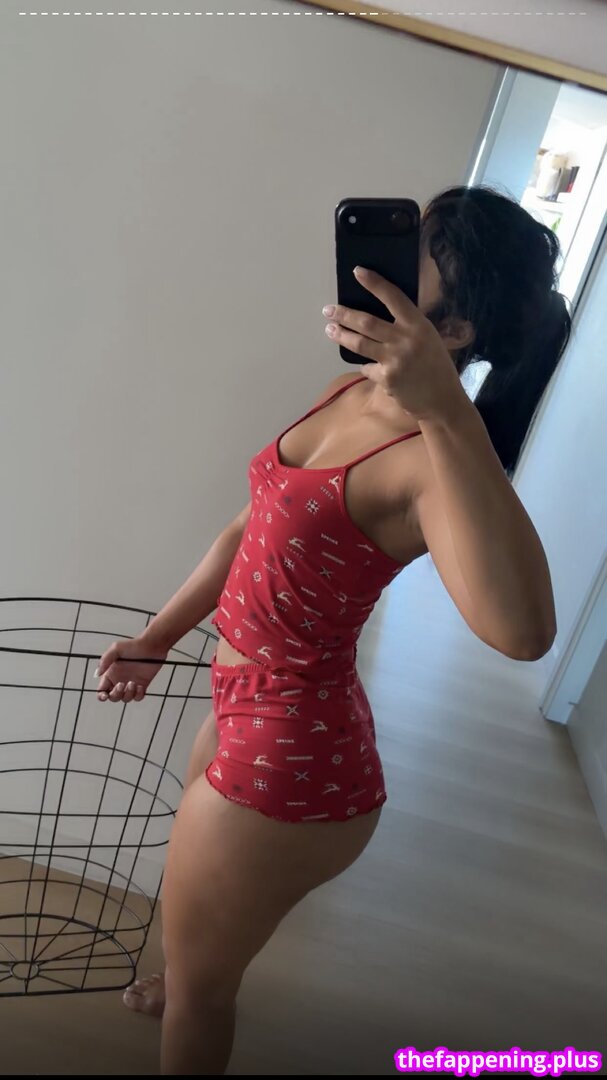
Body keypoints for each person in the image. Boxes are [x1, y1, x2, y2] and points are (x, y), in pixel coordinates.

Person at [95, 186, 570, 1075]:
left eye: (402, 265)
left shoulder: (430, 457)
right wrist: (159, 637)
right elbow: (248, 528)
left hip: (290, 753)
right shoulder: (346, 391)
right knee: (193, 925)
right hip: (246, 699)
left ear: (451, 330)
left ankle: (191, 986)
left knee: (201, 1000)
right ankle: (189, 969)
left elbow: (522, 633)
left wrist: (446, 411)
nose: (364, 274)